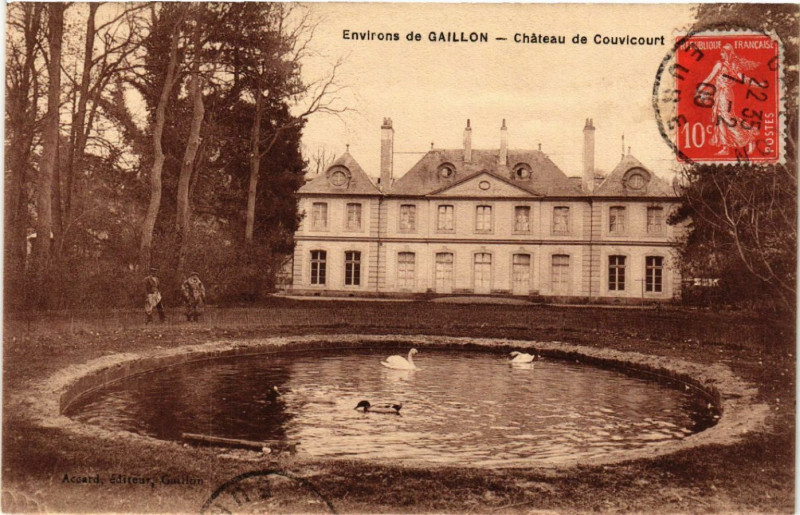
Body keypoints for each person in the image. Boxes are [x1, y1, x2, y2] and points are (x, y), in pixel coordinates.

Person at [701, 43, 760, 155]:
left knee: (728, 118)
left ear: (728, 53)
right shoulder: (719, 65)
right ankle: (725, 147)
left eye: (723, 52)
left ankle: (749, 137)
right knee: (720, 118)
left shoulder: (733, 66)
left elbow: (743, 79)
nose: (721, 54)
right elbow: (709, 78)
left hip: (726, 94)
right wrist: (700, 87)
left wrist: (757, 84)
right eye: (721, 52)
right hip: (719, 94)